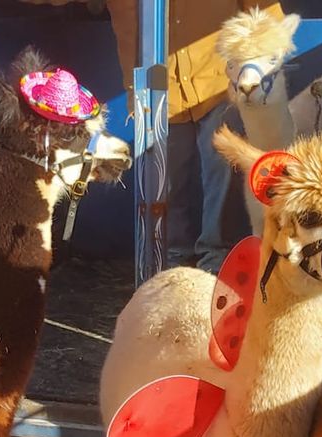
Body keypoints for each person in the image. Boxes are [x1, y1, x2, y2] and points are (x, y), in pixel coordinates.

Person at [105, 0, 287, 272]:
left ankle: (218, 264)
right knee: (164, 181)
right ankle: (171, 264)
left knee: (223, 176)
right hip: (157, 94)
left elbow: (268, 18)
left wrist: (256, 73)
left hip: (220, 87)